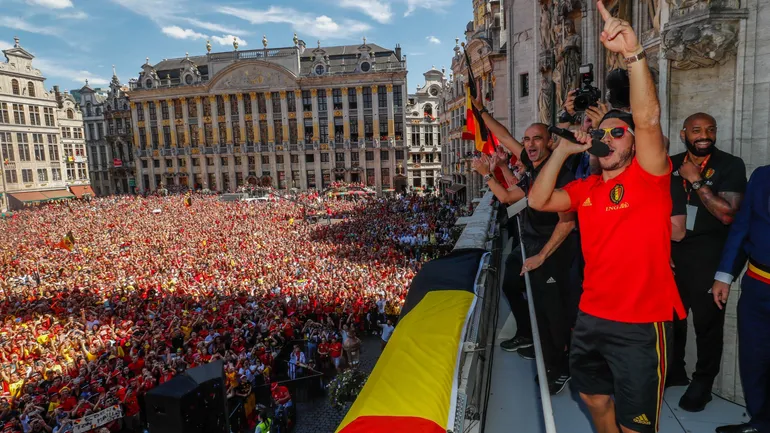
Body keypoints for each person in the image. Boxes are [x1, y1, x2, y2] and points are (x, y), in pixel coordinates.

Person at [528, 3, 685, 432]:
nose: (608, 139)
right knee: (594, 398)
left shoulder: (649, 177)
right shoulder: (588, 189)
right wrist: (562, 150)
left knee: (638, 426)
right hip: (592, 317)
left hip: (639, 326)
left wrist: (632, 55)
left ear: (633, 144)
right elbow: (539, 201)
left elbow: (649, 119)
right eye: (602, 133)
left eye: (619, 133)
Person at [471, 122, 578, 395]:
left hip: (552, 254)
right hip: (534, 250)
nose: (529, 144)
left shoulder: (561, 175)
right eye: (526, 139)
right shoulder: (533, 173)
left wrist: (541, 256)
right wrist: (489, 174)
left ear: (550, 143)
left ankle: (562, 368)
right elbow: (508, 196)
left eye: (537, 139)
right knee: (541, 311)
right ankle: (550, 361)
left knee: (555, 315)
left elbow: (567, 223)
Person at [668, 113, 746, 411]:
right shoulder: (669, 163)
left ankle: (703, 382)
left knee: (707, 324)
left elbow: (728, 214)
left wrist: (696, 180)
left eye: (711, 129)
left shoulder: (730, 164)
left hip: (710, 255)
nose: (705, 135)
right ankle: (674, 370)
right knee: (671, 317)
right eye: (697, 130)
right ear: (683, 133)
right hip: (673, 254)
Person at [711, 165, 770, 433]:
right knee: (754, 359)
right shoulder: (762, 175)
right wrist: (724, 275)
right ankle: (760, 422)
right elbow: (743, 225)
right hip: (758, 286)